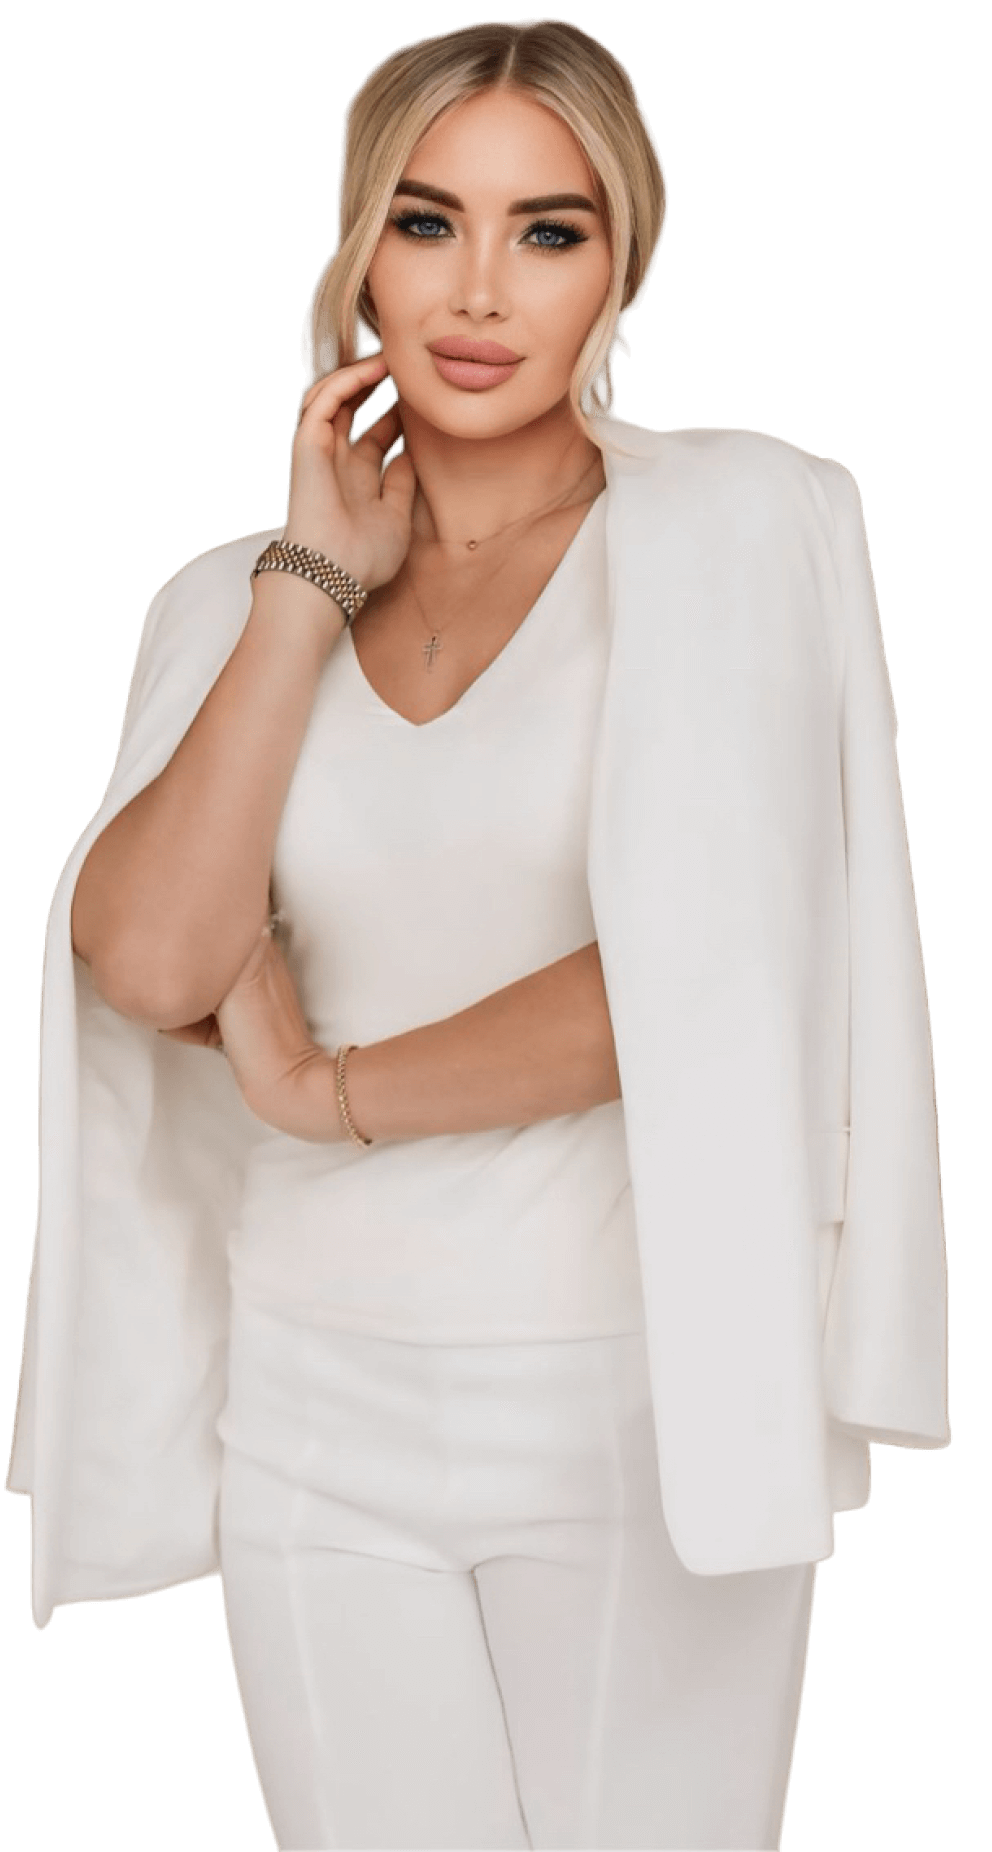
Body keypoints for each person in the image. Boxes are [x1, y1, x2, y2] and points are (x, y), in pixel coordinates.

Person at [9, 17, 949, 1852]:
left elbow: (712, 966)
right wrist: (306, 589)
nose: (481, 291)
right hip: (308, 1401)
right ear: (359, 245)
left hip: (629, 1394)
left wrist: (324, 1089)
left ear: (625, 261)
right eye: (428, 221)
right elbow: (148, 965)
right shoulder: (221, 605)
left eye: (549, 230)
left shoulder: (741, 522)